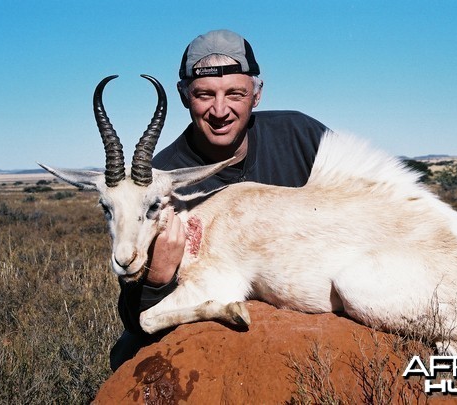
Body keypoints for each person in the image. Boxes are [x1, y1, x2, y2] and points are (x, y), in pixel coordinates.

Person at [110, 29, 329, 370]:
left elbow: (364, 188)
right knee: (127, 353)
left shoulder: (301, 134)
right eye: (204, 95)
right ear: (185, 96)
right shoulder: (159, 179)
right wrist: (157, 279)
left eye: (235, 93)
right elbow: (134, 312)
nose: (220, 110)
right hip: (219, 303)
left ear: (256, 95)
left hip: (312, 285)